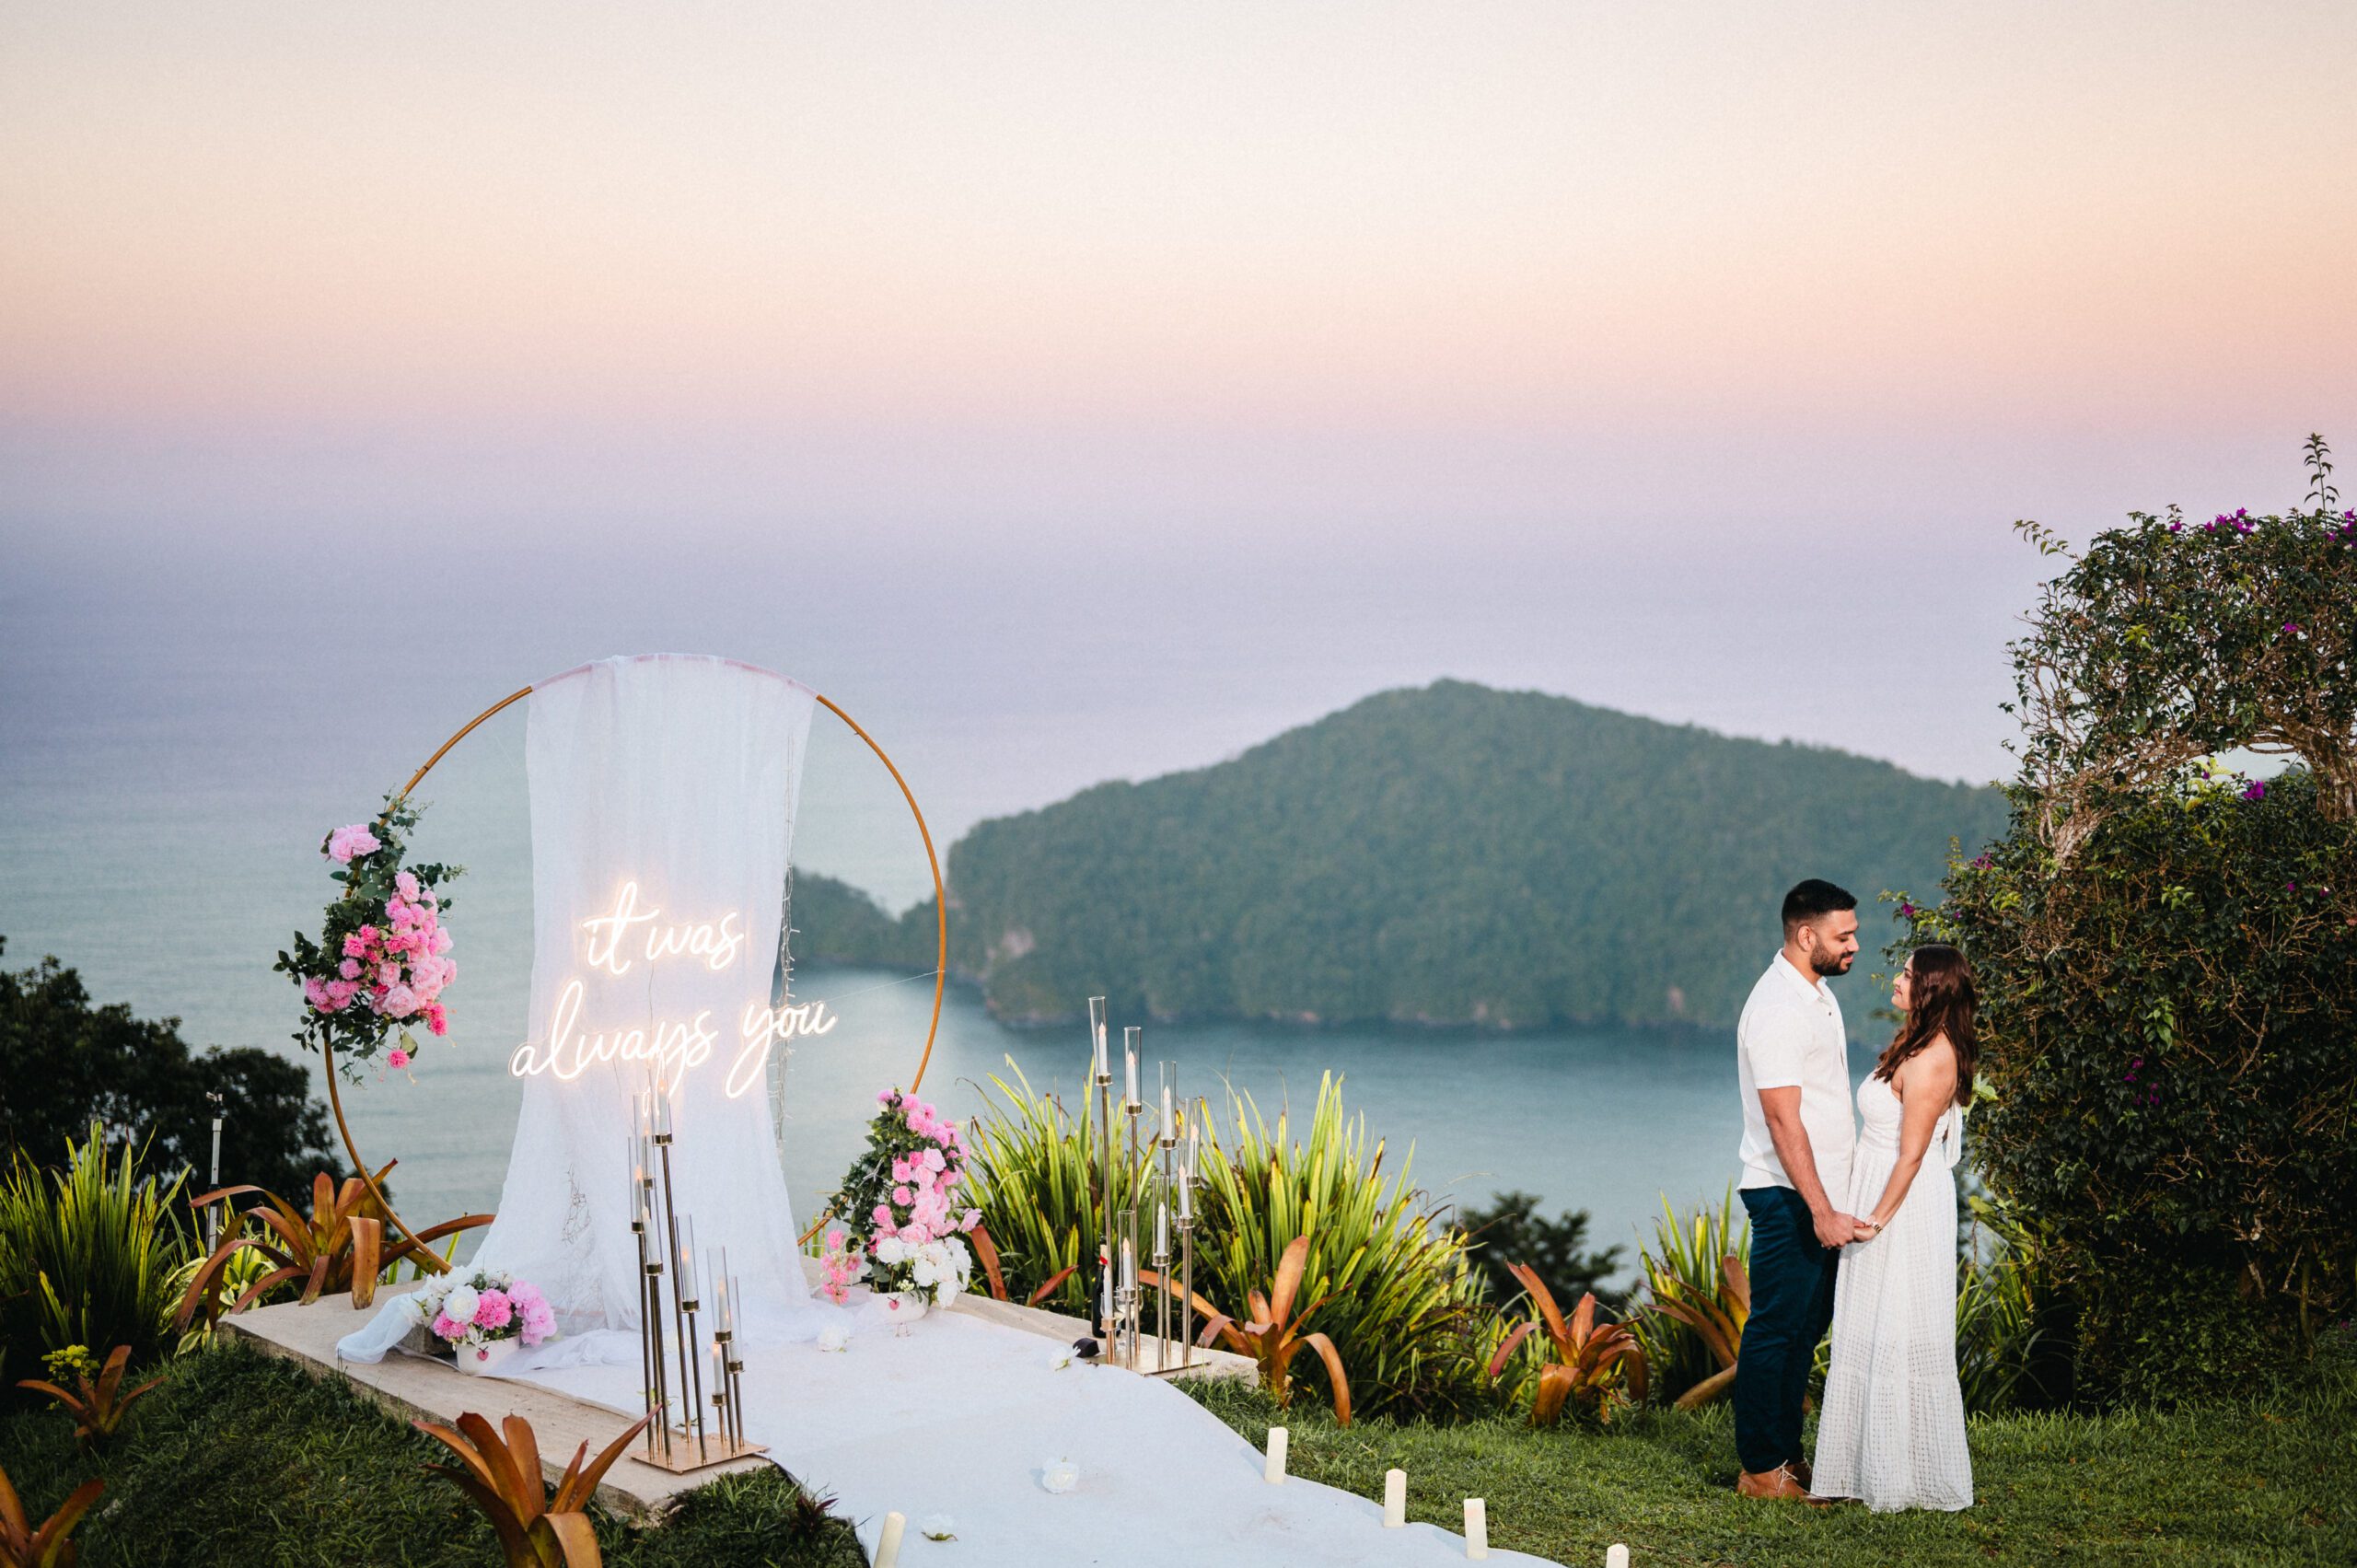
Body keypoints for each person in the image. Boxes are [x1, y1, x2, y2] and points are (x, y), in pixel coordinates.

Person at [1809, 944, 1976, 1511]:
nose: (1897, 979)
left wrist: (1875, 1221)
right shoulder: (1915, 1041)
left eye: (1907, 974)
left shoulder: (1933, 1059)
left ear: (1931, 989)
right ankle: (1860, 1469)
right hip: (1876, 1190)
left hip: (1899, 1207)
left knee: (1898, 1323)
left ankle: (1904, 1475)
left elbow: (1912, 1155)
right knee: (1871, 1324)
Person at [1732, 878, 1865, 1501]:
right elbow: (1784, 1120)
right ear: (1805, 934)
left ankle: (1785, 1456)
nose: (1855, 945)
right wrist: (1819, 1209)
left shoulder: (1814, 994)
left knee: (1804, 1328)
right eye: (1844, 935)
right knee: (1776, 1328)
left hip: (1820, 1198)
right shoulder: (1777, 1007)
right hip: (1790, 1197)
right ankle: (1760, 1468)